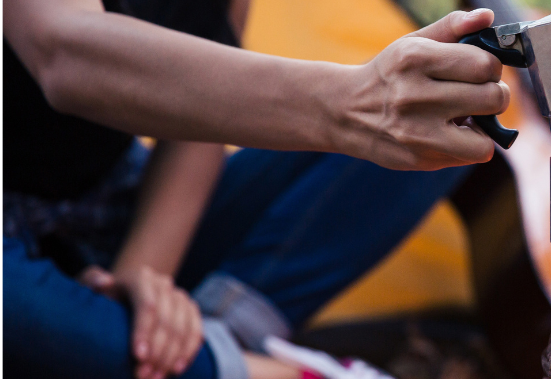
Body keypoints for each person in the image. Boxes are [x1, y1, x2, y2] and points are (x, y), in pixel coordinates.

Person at [3, 0, 510, 377]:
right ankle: (264, 369)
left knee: (452, 116)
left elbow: (200, 120)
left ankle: (188, 337)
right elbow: (64, 53)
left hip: (112, 211)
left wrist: (143, 282)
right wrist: (350, 104)